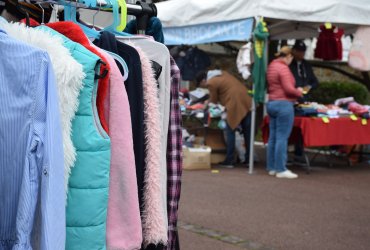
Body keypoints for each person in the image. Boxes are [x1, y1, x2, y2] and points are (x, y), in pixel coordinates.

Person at [195, 69, 252, 168]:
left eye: (202, 85)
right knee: (247, 133)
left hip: (234, 103)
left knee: (230, 130)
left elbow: (214, 100)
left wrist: (206, 103)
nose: (204, 86)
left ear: (203, 81)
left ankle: (229, 160)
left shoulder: (211, 82)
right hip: (246, 101)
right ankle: (249, 159)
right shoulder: (222, 74)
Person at [266, 46, 303, 179]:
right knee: (282, 137)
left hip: (272, 103)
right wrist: (299, 92)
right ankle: (281, 169)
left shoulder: (272, 66)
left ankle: (271, 167)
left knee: (273, 137)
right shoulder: (284, 68)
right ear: (289, 56)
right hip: (284, 104)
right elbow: (288, 89)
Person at [290, 40, 319, 158]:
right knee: (291, 126)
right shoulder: (289, 64)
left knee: (302, 127)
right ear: (294, 51)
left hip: (305, 100)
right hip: (292, 99)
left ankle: (299, 151)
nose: (301, 54)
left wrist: (309, 87)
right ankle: (288, 150)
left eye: (303, 52)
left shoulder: (306, 65)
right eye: (299, 51)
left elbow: (315, 81)